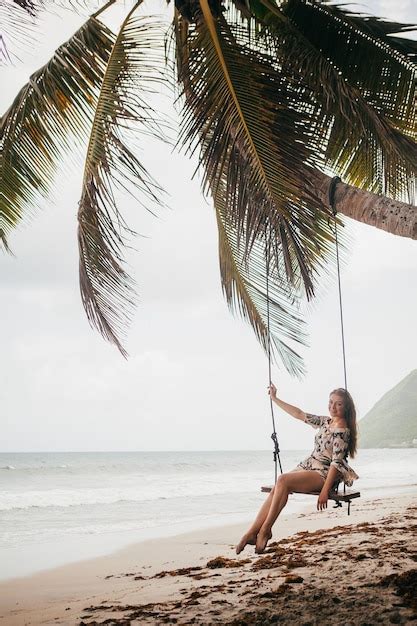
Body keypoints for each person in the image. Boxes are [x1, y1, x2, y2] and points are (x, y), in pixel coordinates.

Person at [236, 383, 359, 555]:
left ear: (346, 407)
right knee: (279, 485)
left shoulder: (341, 431)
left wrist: (325, 491)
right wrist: (275, 398)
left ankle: (265, 531)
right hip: (309, 465)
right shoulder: (325, 421)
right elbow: (299, 414)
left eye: (338, 404)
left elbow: (336, 463)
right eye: (331, 402)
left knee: (283, 480)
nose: (333, 407)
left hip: (323, 473)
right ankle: (252, 532)